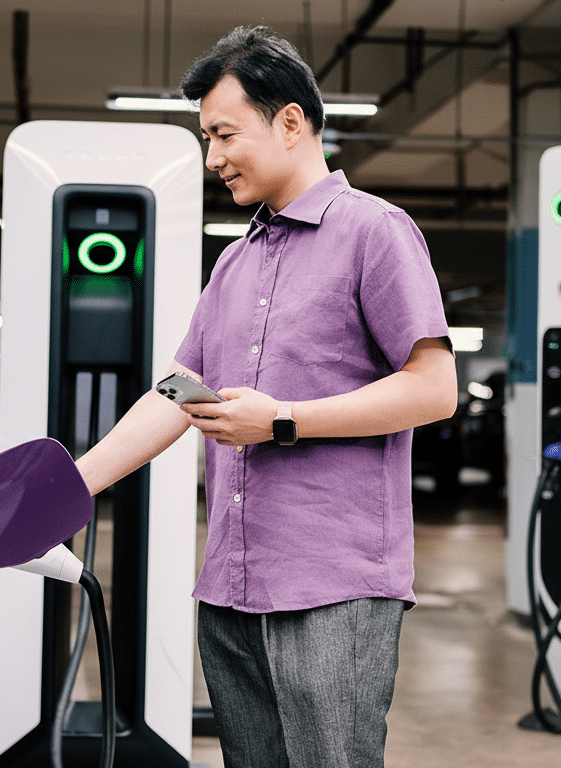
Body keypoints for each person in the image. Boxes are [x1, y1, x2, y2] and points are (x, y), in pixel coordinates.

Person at [75, 27, 457, 768]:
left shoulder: (374, 232)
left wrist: (280, 420)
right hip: (230, 586)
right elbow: (174, 394)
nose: (212, 157)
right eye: (206, 138)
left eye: (223, 133)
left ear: (289, 121)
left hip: (333, 587)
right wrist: (71, 483)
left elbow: (434, 388)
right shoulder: (237, 260)